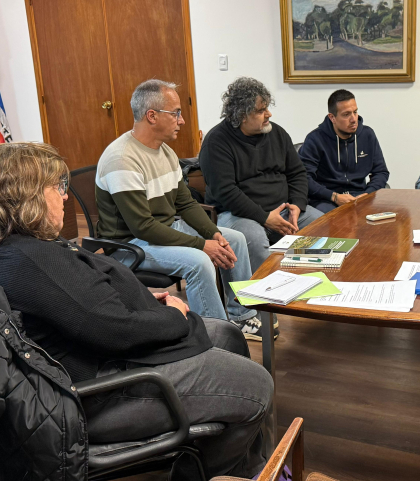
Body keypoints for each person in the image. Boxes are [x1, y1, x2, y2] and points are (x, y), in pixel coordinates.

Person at [0, 144, 274, 481]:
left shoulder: (9, 245)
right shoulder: (29, 260)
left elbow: (88, 308)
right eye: (57, 185)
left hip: (104, 356)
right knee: (257, 385)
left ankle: (241, 470)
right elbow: (113, 329)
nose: (65, 195)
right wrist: (177, 317)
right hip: (102, 389)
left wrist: (144, 301)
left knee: (228, 335)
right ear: (26, 196)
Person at [96, 79, 268, 340]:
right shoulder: (121, 160)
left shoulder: (164, 151)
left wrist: (212, 233)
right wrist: (201, 245)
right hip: (130, 243)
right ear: (151, 116)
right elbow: (142, 227)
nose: (182, 120)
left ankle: (241, 315)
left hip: (162, 230)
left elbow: (185, 203)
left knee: (235, 238)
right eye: (175, 112)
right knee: (199, 262)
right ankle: (216, 336)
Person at [200, 77, 323, 269]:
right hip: (238, 214)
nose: (269, 114)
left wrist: (298, 205)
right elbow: (226, 191)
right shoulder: (216, 141)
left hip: (282, 209)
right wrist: (264, 217)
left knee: (321, 225)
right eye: (261, 110)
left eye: (267, 108)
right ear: (242, 115)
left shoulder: (278, 134)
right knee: (253, 239)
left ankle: (305, 284)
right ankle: (262, 296)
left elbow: (297, 173)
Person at [299, 89, 389, 213]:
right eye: (346, 114)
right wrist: (334, 196)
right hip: (326, 199)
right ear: (332, 118)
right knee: (334, 221)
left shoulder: (367, 135)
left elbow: (381, 172)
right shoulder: (315, 139)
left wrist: (368, 193)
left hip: (360, 196)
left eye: (355, 112)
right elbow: (304, 178)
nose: (353, 119)